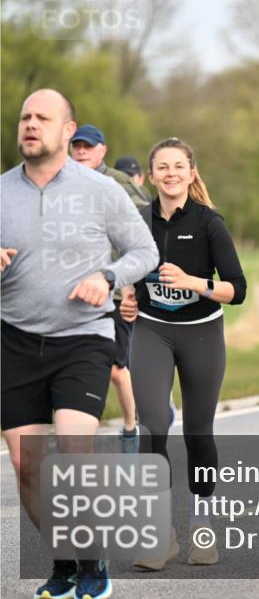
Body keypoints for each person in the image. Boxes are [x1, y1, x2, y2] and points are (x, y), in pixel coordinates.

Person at [1, 89, 158, 599]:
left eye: (42, 117)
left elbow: (144, 251)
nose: (30, 125)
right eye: (25, 117)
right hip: (14, 338)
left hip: (83, 337)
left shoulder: (101, 190)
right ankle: (65, 562)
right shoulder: (1, 192)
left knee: (73, 450)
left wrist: (107, 276)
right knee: (28, 466)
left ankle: (92, 564)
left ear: (69, 130)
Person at [124, 137, 247, 571]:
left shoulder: (211, 223)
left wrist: (196, 283)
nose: (171, 173)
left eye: (179, 166)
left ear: (192, 172)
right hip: (152, 332)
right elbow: (128, 274)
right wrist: (127, 299)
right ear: (152, 175)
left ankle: (201, 520)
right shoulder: (137, 221)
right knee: (153, 423)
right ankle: (160, 534)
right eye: (163, 166)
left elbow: (238, 290)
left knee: (198, 431)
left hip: (201, 334)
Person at [70, 124, 149, 454]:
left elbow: (145, 229)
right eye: (77, 146)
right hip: (74, 292)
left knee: (117, 369)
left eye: (89, 146)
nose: (82, 151)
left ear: (102, 150)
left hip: (116, 290)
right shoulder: (62, 184)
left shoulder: (117, 182)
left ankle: (131, 427)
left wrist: (131, 286)